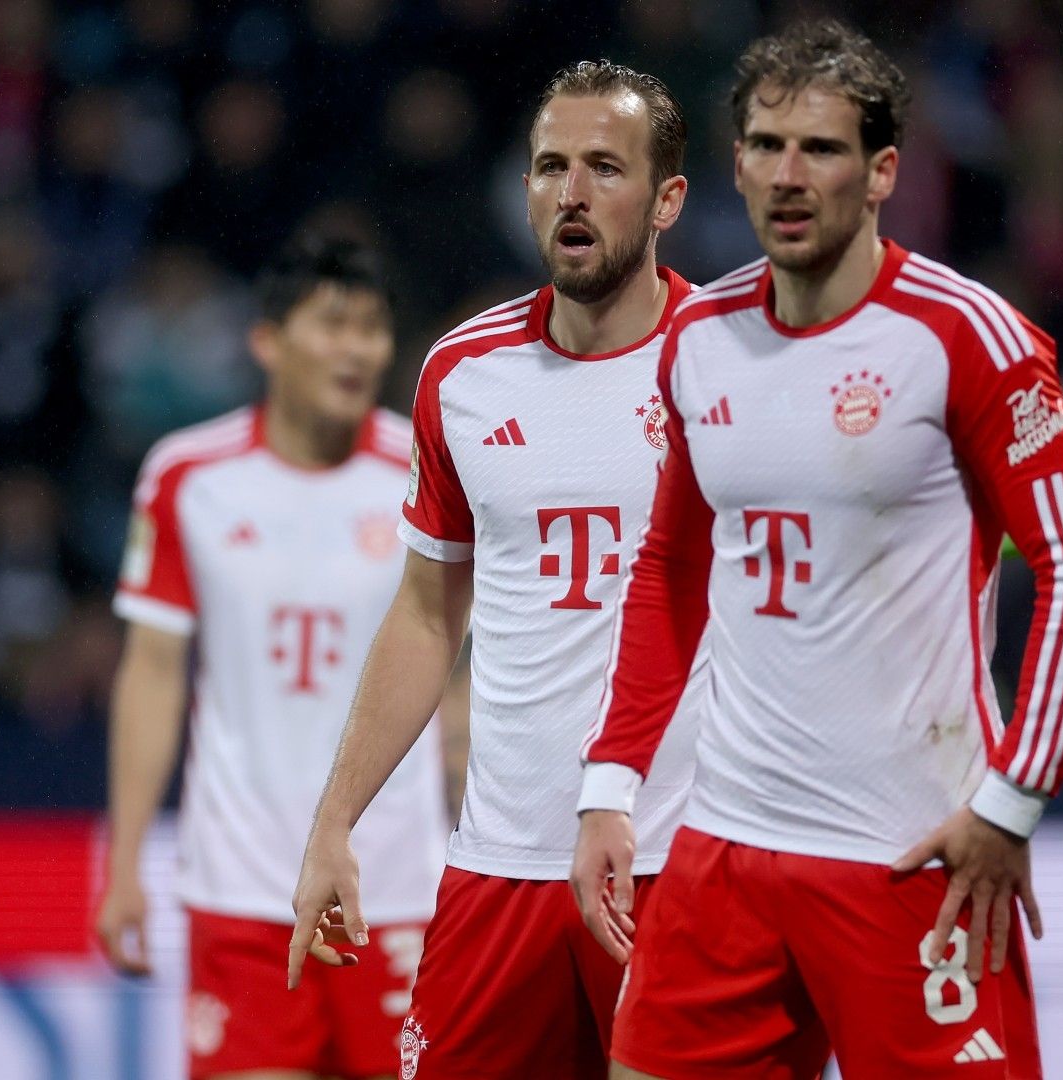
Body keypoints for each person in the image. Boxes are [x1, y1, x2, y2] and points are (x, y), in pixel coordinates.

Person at [571, 20, 1063, 1079]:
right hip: (723, 850)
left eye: (821, 149)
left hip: (911, 852)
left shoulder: (968, 336)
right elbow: (670, 569)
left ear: (881, 173)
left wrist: (1011, 803)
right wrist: (613, 781)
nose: (789, 175)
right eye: (767, 145)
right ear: (733, 161)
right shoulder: (699, 338)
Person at [286, 62, 696, 1080]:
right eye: (551, 166)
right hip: (498, 872)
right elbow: (428, 613)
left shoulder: (734, 359)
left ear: (668, 198)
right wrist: (336, 820)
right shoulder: (461, 375)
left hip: (677, 864)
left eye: (605, 166)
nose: (572, 191)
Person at [98, 234, 452, 1080]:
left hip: (395, 888)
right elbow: (151, 673)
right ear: (267, 342)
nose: (356, 348)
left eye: (371, 328)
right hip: (242, 887)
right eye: (332, 325)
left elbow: (464, 657)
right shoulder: (189, 476)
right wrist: (123, 866)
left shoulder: (428, 465)